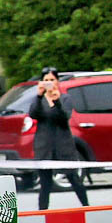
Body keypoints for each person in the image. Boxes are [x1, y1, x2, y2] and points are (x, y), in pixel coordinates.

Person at [29, 67, 89, 211]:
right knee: (45, 183)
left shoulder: (65, 98)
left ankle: (86, 207)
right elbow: (33, 114)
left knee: (73, 178)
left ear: (57, 81)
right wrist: (39, 96)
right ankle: (42, 212)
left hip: (63, 145)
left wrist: (56, 102)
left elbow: (63, 117)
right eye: (46, 80)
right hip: (44, 146)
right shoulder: (39, 99)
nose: (49, 83)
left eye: (52, 80)